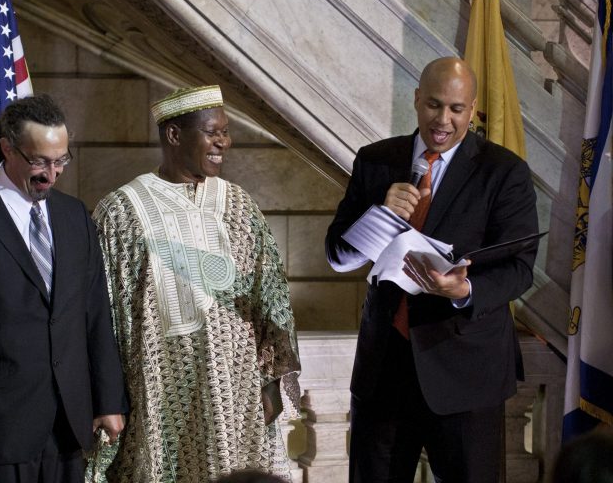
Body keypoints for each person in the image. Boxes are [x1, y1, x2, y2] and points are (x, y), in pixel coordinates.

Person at [325, 57, 539, 483]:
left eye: (456, 110)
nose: (443, 120)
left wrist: (463, 290)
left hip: (466, 375)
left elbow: (519, 269)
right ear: (417, 99)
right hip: (384, 372)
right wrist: (379, 216)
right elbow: (338, 254)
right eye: (434, 105)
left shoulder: (503, 171)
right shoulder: (375, 160)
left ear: (472, 110)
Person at [87, 85, 300, 482]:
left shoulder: (239, 205)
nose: (224, 141)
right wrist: (107, 397)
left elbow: (272, 298)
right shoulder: (120, 211)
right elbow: (102, 316)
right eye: (212, 132)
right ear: (174, 135)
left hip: (235, 393)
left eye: (225, 131)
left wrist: (271, 383)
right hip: (157, 395)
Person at [0, 95, 127, 482]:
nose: (52, 173)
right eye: (40, 161)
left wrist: (108, 398)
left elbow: (96, 313)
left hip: (69, 424)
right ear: (8, 149)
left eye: (61, 160)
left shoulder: (74, 215)